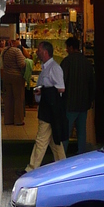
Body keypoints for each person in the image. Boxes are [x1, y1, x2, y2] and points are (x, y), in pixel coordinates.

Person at [25, 41, 67, 171]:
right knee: (54, 141)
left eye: (39, 50)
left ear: (45, 52)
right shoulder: (45, 68)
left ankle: (31, 168)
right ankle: (63, 165)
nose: (37, 52)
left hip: (51, 109)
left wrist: (43, 91)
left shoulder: (54, 68)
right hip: (46, 107)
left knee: (41, 140)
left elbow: (61, 88)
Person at [61, 35, 95, 154]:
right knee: (82, 132)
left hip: (70, 103)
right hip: (83, 103)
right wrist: (90, 100)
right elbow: (92, 83)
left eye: (67, 47)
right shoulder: (87, 62)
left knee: (66, 131)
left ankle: (62, 156)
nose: (66, 50)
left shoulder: (67, 61)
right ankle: (81, 154)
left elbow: (62, 81)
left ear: (70, 47)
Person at [2, 36, 26, 126]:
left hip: (7, 76)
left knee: (8, 99)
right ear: (14, 41)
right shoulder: (16, 51)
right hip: (16, 77)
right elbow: (22, 64)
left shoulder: (5, 50)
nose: (19, 41)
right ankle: (19, 120)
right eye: (17, 40)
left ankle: (8, 119)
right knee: (18, 99)